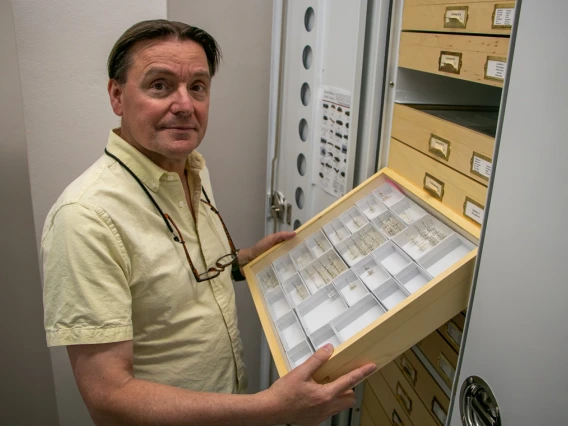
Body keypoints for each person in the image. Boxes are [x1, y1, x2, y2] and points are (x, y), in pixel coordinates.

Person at [42, 19, 376, 426]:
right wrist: (270, 408)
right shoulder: (85, 218)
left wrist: (243, 260)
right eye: (160, 85)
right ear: (117, 95)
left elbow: (175, 272)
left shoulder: (192, 168)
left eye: (197, 87)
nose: (185, 105)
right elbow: (109, 396)